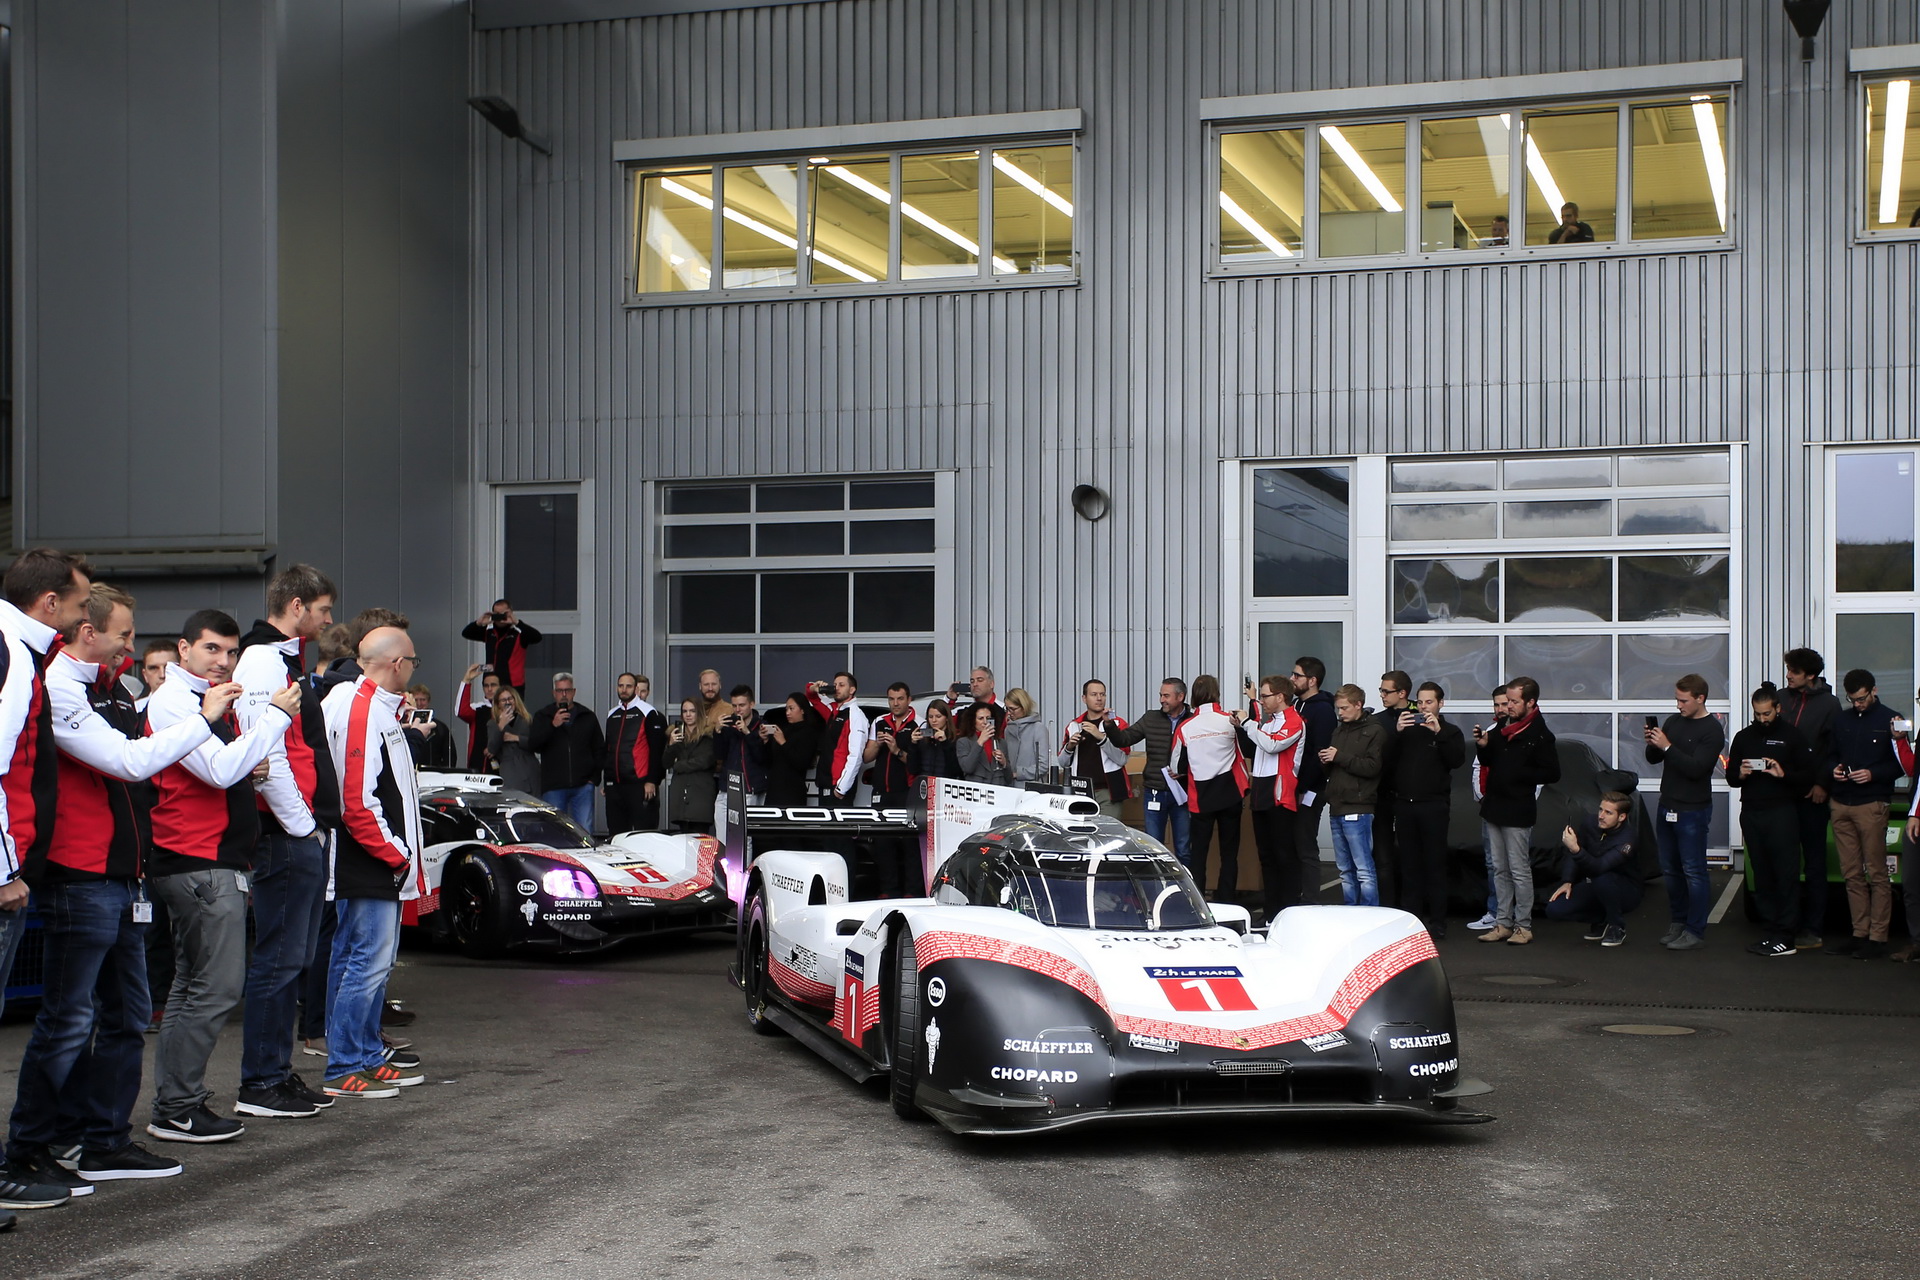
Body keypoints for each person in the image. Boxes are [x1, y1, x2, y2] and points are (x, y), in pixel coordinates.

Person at [7, 584, 239, 1190]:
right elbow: (131, 763)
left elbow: (135, 768)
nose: (134, 648)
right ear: (90, 630)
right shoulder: (58, 686)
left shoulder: (111, 690)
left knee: (127, 1014)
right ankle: (31, 1148)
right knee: (68, 1023)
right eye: (124, 635)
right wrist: (203, 721)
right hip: (79, 876)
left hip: (122, 876)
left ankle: (102, 1140)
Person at [145, 610, 300, 1143]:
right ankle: (177, 1108)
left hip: (205, 860)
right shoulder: (175, 699)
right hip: (199, 863)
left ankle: (176, 1105)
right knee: (214, 989)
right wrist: (275, 720)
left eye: (231, 652)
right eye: (212, 650)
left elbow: (223, 769)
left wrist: (245, 765)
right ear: (184, 649)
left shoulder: (203, 699)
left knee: (194, 989)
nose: (223, 661)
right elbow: (218, 770)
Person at [0, 553, 98, 1210]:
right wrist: (9, 871)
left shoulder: (19, 650)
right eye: (81, 601)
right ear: (49, 603)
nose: (85, 614)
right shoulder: (13, 654)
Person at [232, 564, 343, 1122]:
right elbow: (265, 753)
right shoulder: (260, 661)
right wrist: (303, 827)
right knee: (278, 959)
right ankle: (260, 1080)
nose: (328, 621)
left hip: (296, 829)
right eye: (322, 610)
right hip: (284, 832)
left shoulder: (279, 659)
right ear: (296, 606)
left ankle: (273, 1072)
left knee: (290, 958)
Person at [319, 627, 428, 1099]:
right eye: (413, 661)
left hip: (372, 858)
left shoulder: (371, 706)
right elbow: (356, 802)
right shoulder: (362, 708)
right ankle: (345, 1063)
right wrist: (396, 855)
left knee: (364, 962)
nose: (412, 669)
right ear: (396, 664)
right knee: (366, 963)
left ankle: (360, 1055)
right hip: (369, 860)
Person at [1726, 683, 1816, 959]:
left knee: (1785, 873)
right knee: (1761, 873)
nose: (1763, 719)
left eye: (1767, 713)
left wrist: (1782, 773)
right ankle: (1772, 930)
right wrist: (1741, 773)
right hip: (1752, 811)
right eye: (1758, 714)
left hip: (1782, 812)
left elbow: (1808, 776)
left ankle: (1786, 934)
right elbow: (1730, 779)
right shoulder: (1743, 737)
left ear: (1777, 708)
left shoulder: (1792, 736)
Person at [1473, 676, 1560, 945]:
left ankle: (1523, 925)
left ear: (1530, 702)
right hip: (1495, 805)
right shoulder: (1501, 727)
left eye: (1513, 702)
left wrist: (1519, 773)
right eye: (1506, 701)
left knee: (1519, 869)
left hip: (1518, 808)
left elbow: (1552, 773)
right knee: (1499, 868)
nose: (1507, 707)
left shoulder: (1541, 735)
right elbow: (1490, 760)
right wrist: (1484, 746)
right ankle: (1503, 923)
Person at [1645, 673, 1726, 951]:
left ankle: (1695, 929)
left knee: (1693, 870)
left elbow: (1697, 768)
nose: (1678, 705)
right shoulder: (1673, 722)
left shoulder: (1712, 730)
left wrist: (1667, 745)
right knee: (1670, 869)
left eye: (1683, 700)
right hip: (1668, 803)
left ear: (1700, 698)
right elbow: (1655, 758)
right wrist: (1654, 744)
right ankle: (1678, 922)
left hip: (1693, 809)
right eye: (1677, 699)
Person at [1825, 668, 1902, 959]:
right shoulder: (1841, 719)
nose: (1857, 703)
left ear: (1874, 691)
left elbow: (1901, 765)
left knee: (1877, 872)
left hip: (1872, 803)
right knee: (1851, 873)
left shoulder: (1890, 720)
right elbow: (1830, 754)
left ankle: (1878, 937)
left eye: (1861, 698)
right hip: (1842, 801)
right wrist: (1832, 769)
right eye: (1852, 699)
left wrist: (1872, 774)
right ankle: (1859, 933)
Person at [1394, 681, 1466, 938]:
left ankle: (1437, 923)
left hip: (1434, 806)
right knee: (1409, 865)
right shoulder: (1408, 730)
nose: (1424, 707)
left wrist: (1439, 734)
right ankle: (1410, 923)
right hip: (1405, 805)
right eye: (1421, 702)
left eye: (1429, 702)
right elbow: (1389, 762)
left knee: (1434, 865)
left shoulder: (1450, 731)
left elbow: (1456, 760)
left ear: (1440, 703)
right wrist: (1397, 732)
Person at [1166, 676, 1248, 901]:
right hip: (1230, 795)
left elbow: (1176, 766)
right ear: (1217, 693)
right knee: (1229, 854)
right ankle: (1227, 900)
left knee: (1198, 854)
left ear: (1192, 696)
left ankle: (1198, 901)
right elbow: (1247, 748)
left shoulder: (1186, 727)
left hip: (1201, 798)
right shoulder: (1229, 720)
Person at [1780, 648, 1840, 948]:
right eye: (1788, 669)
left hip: (1812, 797)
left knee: (1814, 864)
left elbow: (1833, 750)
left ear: (1811, 676)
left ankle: (1813, 929)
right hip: (1780, 796)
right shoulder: (1780, 698)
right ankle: (1784, 925)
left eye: (1794, 670)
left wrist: (1822, 785)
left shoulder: (1830, 705)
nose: (1788, 674)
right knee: (1784, 862)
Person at [1234, 676, 1304, 922]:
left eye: (1265, 696)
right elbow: (1257, 744)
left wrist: (1247, 723)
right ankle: (1271, 911)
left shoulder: (1295, 721)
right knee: (1266, 857)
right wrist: (1243, 723)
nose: (1262, 701)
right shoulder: (1268, 722)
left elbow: (1272, 745)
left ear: (1280, 697)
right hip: (1261, 791)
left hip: (1281, 795)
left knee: (1283, 856)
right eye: (1261, 697)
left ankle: (1289, 911)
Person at [1111, 679, 1193, 868]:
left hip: (1183, 793)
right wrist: (1109, 726)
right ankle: (1154, 891)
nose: (1161, 700)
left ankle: (1186, 892)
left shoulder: (1192, 720)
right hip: (1154, 791)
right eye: (1160, 695)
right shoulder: (1151, 718)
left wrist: (1185, 773)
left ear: (1180, 697)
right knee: (1153, 848)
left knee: (1183, 848)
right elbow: (1125, 738)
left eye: (1166, 696)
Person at [1543, 792, 1642, 947]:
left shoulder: (1627, 839)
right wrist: (1567, 881)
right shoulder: (1590, 822)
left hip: (1626, 890)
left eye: (1608, 813)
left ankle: (1617, 926)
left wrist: (1576, 849)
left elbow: (1598, 867)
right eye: (1600, 809)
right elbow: (1574, 853)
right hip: (1596, 884)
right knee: (1554, 910)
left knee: (1602, 878)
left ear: (1621, 817)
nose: (1601, 816)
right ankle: (1601, 920)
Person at [1320, 684, 1387, 907]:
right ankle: (1350, 911)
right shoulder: (1339, 730)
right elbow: (1336, 765)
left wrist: (1339, 757)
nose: (1340, 713)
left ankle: (1369, 913)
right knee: (1345, 869)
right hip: (1337, 804)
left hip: (1359, 806)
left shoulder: (1375, 730)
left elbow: (1372, 768)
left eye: (1344, 708)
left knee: (1363, 868)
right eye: (1338, 708)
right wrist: (1327, 761)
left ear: (1358, 705)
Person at [1288, 657, 1338, 907]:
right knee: (1293, 844)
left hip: (1310, 790)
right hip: (1292, 788)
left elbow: (1319, 755)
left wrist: (1301, 787)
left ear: (1312, 680)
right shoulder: (1297, 705)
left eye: (1297, 675)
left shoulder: (1322, 710)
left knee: (1306, 844)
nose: (1292, 679)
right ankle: (1295, 895)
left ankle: (1310, 901)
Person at [864, 683, 920, 897]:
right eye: (891, 699)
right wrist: (878, 745)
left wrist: (896, 749)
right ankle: (888, 890)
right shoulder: (879, 721)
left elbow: (916, 763)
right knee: (883, 843)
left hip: (907, 792)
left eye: (900, 699)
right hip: (881, 792)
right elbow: (866, 757)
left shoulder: (919, 723)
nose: (895, 703)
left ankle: (912, 891)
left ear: (909, 699)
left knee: (910, 844)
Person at [529, 672, 604, 832]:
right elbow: (533, 744)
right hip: (554, 786)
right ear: (553, 693)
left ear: (574, 692)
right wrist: (552, 725)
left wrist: (594, 779)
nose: (564, 695)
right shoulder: (543, 716)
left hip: (583, 785)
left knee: (584, 831)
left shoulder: (587, 716)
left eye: (567, 690)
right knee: (555, 831)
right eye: (560, 691)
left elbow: (599, 748)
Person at [1466, 684, 1512, 932]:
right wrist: (1481, 795)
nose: (1501, 708)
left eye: (1505, 703)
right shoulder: (1491, 731)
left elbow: (1535, 779)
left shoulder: (1522, 732)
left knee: (1516, 864)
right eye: (1496, 704)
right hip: (1490, 807)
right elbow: (1477, 767)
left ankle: (1514, 916)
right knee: (1493, 862)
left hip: (1514, 809)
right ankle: (1495, 913)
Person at [1059, 679, 1132, 821]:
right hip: (1080, 791)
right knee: (1081, 835)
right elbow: (1063, 763)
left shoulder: (1117, 723)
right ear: (1084, 698)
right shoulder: (1074, 725)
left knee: (1107, 835)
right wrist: (1070, 747)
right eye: (1094, 694)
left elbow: (1122, 759)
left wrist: (1101, 737)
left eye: (1102, 694)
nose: (1099, 698)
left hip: (1109, 791)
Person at [603, 673, 667, 835]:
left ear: (636, 689)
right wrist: (607, 781)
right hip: (615, 785)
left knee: (643, 834)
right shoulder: (612, 714)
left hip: (639, 784)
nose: (624, 690)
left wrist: (652, 780)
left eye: (628, 686)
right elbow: (608, 749)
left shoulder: (649, 713)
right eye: (620, 686)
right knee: (616, 834)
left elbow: (657, 750)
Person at [1370, 670, 1411, 908]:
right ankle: (1387, 906)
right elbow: (1376, 756)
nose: (1383, 695)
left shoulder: (1420, 716)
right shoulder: (1378, 721)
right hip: (1382, 795)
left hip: (1411, 796)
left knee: (1409, 856)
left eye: (1387, 691)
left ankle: (1410, 908)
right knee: (1382, 856)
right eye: (1381, 691)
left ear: (1402, 693)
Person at [805, 672, 870, 804]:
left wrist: (841, 788)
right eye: (834, 685)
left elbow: (856, 755)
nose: (836, 688)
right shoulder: (833, 709)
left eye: (841, 685)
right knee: (824, 824)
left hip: (839, 787)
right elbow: (812, 696)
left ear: (852, 690)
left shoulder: (856, 716)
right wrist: (816, 687)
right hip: (824, 782)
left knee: (839, 825)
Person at [460, 598, 541, 694]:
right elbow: (466, 633)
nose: (500, 617)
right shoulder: (489, 633)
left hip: (513, 687)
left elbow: (537, 637)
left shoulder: (518, 635)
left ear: (509, 613)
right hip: (491, 685)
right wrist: (479, 622)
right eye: (497, 614)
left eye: (503, 614)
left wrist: (517, 622)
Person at [714, 684, 769, 822]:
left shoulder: (762, 726)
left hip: (750, 788)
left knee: (744, 839)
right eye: (734, 706)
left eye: (741, 705)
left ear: (752, 704)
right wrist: (718, 732)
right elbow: (718, 755)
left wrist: (747, 733)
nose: (737, 710)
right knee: (722, 838)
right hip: (726, 788)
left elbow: (762, 758)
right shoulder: (728, 725)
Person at [664, 698, 718, 835]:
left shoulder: (709, 736)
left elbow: (705, 761)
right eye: (685, 711)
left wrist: (679, 765)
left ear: (699, 713)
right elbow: (665, 763)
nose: (688, 715)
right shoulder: (676, 735)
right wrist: (670, 745)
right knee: (682, 839)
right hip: (681, 796)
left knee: (700, 839)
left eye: (692, 711)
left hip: (700, 795)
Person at [761, 694, 821, 806]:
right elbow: (770, 760)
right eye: (786, 709)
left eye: (791, 709)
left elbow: (801, 762)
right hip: (774, 788)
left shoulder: (808, 733)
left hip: (792, 791)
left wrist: (784, 743)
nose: (788, 713)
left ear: (802, 710)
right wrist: (766, 742)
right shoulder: (784, 730)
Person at [487, 687, 540, 795]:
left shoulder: (526, 719)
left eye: (510, 698)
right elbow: (492, 749)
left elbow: (536, 744)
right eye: (503, 700)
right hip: (510, 770)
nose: (508, 702)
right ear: (498, 704)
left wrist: (516, 738)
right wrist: (501, 726)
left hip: (530, 768)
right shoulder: (493, 724)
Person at [453, 663, 501, 773]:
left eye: (493, 685)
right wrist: (466, 680)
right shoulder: (478, 709)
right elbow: (460, 711)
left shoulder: (508, 709)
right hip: (477, 766)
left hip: (504, 767)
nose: (489, 689)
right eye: (486, 685)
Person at [955, 703, 1012, 785]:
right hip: (977, 790)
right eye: (981, 718)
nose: (985, 722)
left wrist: (1004, 763)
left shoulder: (1001, 742)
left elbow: (1009, 778)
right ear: (973, 721)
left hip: (998, 790)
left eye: (988, 718)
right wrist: (980, 742)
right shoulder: (963, 742)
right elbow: (967, 768)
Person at [1000, 688, 1047, 785]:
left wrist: (1018, 773)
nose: (1009, 713)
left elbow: (1043, 766)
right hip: (1009, 787)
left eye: (1013, 709)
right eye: (1007, 709)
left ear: (1024, 707)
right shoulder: (1008, 730)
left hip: (1031, 788)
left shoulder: (1038, 728)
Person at [404, 684, 457, 769]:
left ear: (428, 701)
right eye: (416, 700)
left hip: (434, 774)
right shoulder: (405, 727)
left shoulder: (440, 727)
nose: (419, 703)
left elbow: (450, 755)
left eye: (423, 700)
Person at [909, 702, 963, 780]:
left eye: (938, 716)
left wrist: (945, 743)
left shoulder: (956, 739)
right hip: (925, 785)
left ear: (947, 718)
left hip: (945, 786)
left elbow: (955, 770)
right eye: (930, 717)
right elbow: (913, 769)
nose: (934, 720)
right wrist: (913, 744)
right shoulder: (923, 740)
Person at [137, 639, 173, 709]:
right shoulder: (135, 711)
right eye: (153, 668)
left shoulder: (196, 707)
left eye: (168, 668)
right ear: (145, 675)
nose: (162, 675)